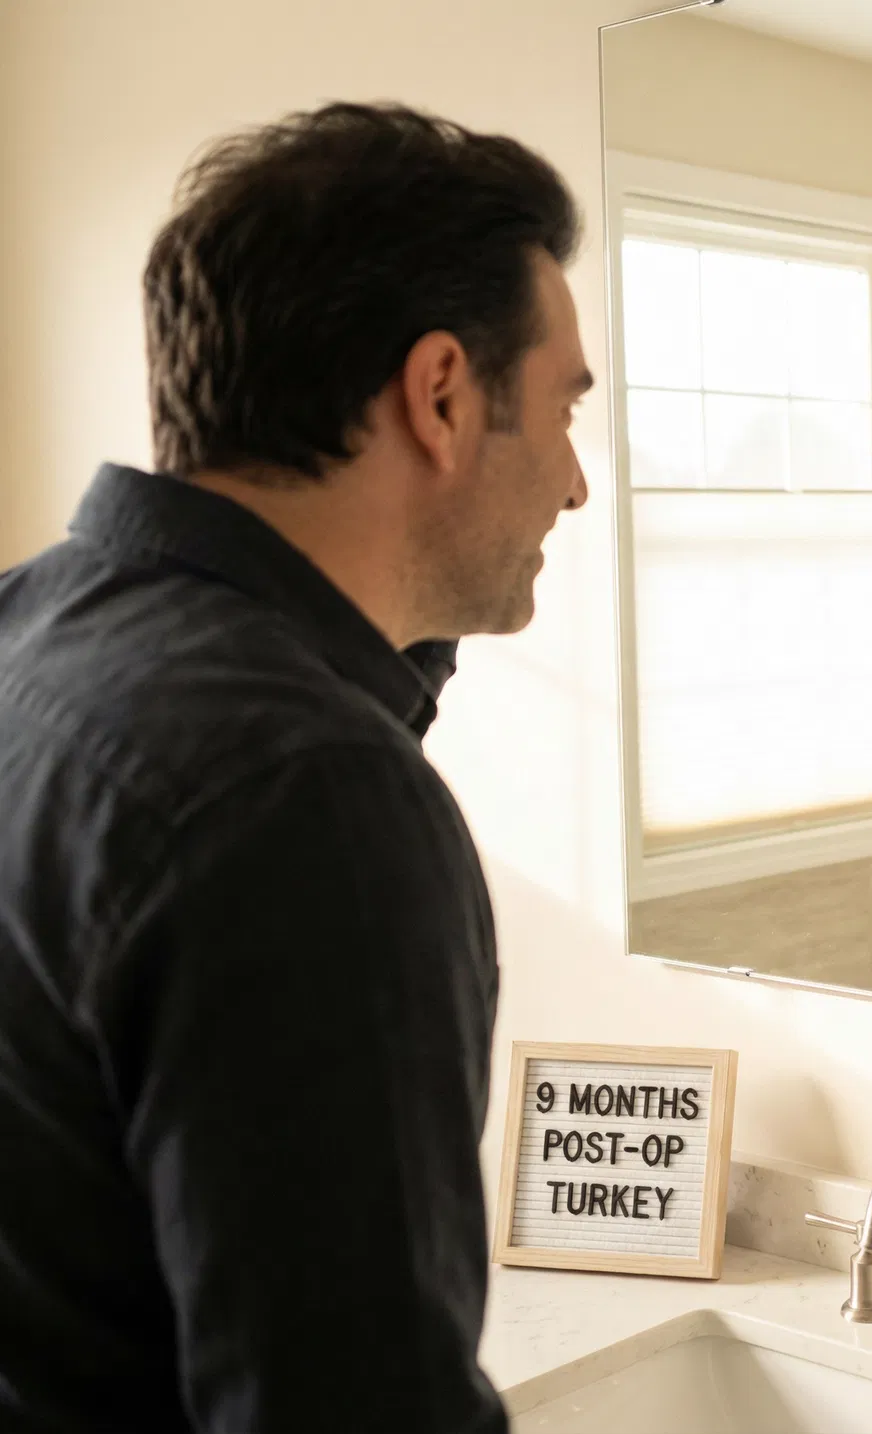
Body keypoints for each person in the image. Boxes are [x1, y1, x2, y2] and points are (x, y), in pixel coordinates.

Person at [0, 103, 593, 1431]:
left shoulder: (28, 631)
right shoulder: (303, 792)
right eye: (564, 407)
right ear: (441, 394)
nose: (574, 483)